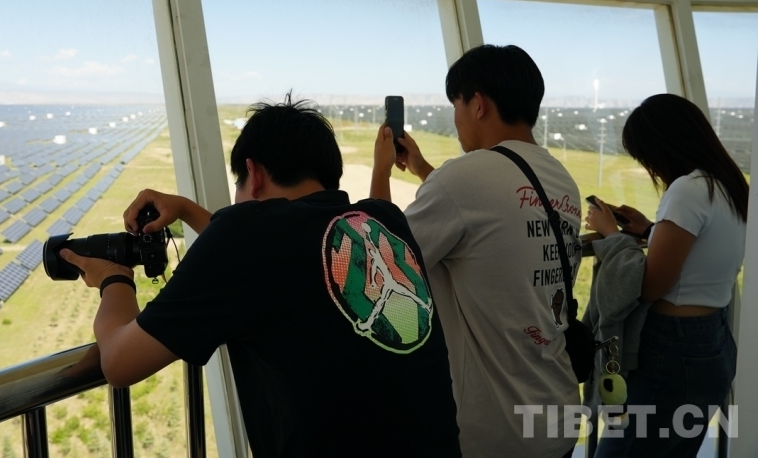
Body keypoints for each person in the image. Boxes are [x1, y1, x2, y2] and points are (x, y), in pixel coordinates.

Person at [61, 96, 462, 457]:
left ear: (252, 174)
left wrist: (113, 278)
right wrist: (184, 209)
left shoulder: (245, 235)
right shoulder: (385, 220)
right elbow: (270, 256)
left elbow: (119, 363)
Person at [371, 44, 582, 458]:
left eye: (457, 105)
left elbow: (384, 253)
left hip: (495, 433)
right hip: (556, 414)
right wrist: (422, 169)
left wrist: (382, 169)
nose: (456, 120)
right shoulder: (560, 179)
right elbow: (493, 213)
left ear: (478, 104)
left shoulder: (465, 178)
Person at [586, 93, 745, 457]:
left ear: (663, 148)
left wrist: (610, 234)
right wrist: (651, 230)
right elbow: (701, 250)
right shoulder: (727, 185)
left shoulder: (687, 190)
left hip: (674, 351)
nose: (649, 167)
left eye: (645, 156)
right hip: (714, 342)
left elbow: (651, 286)